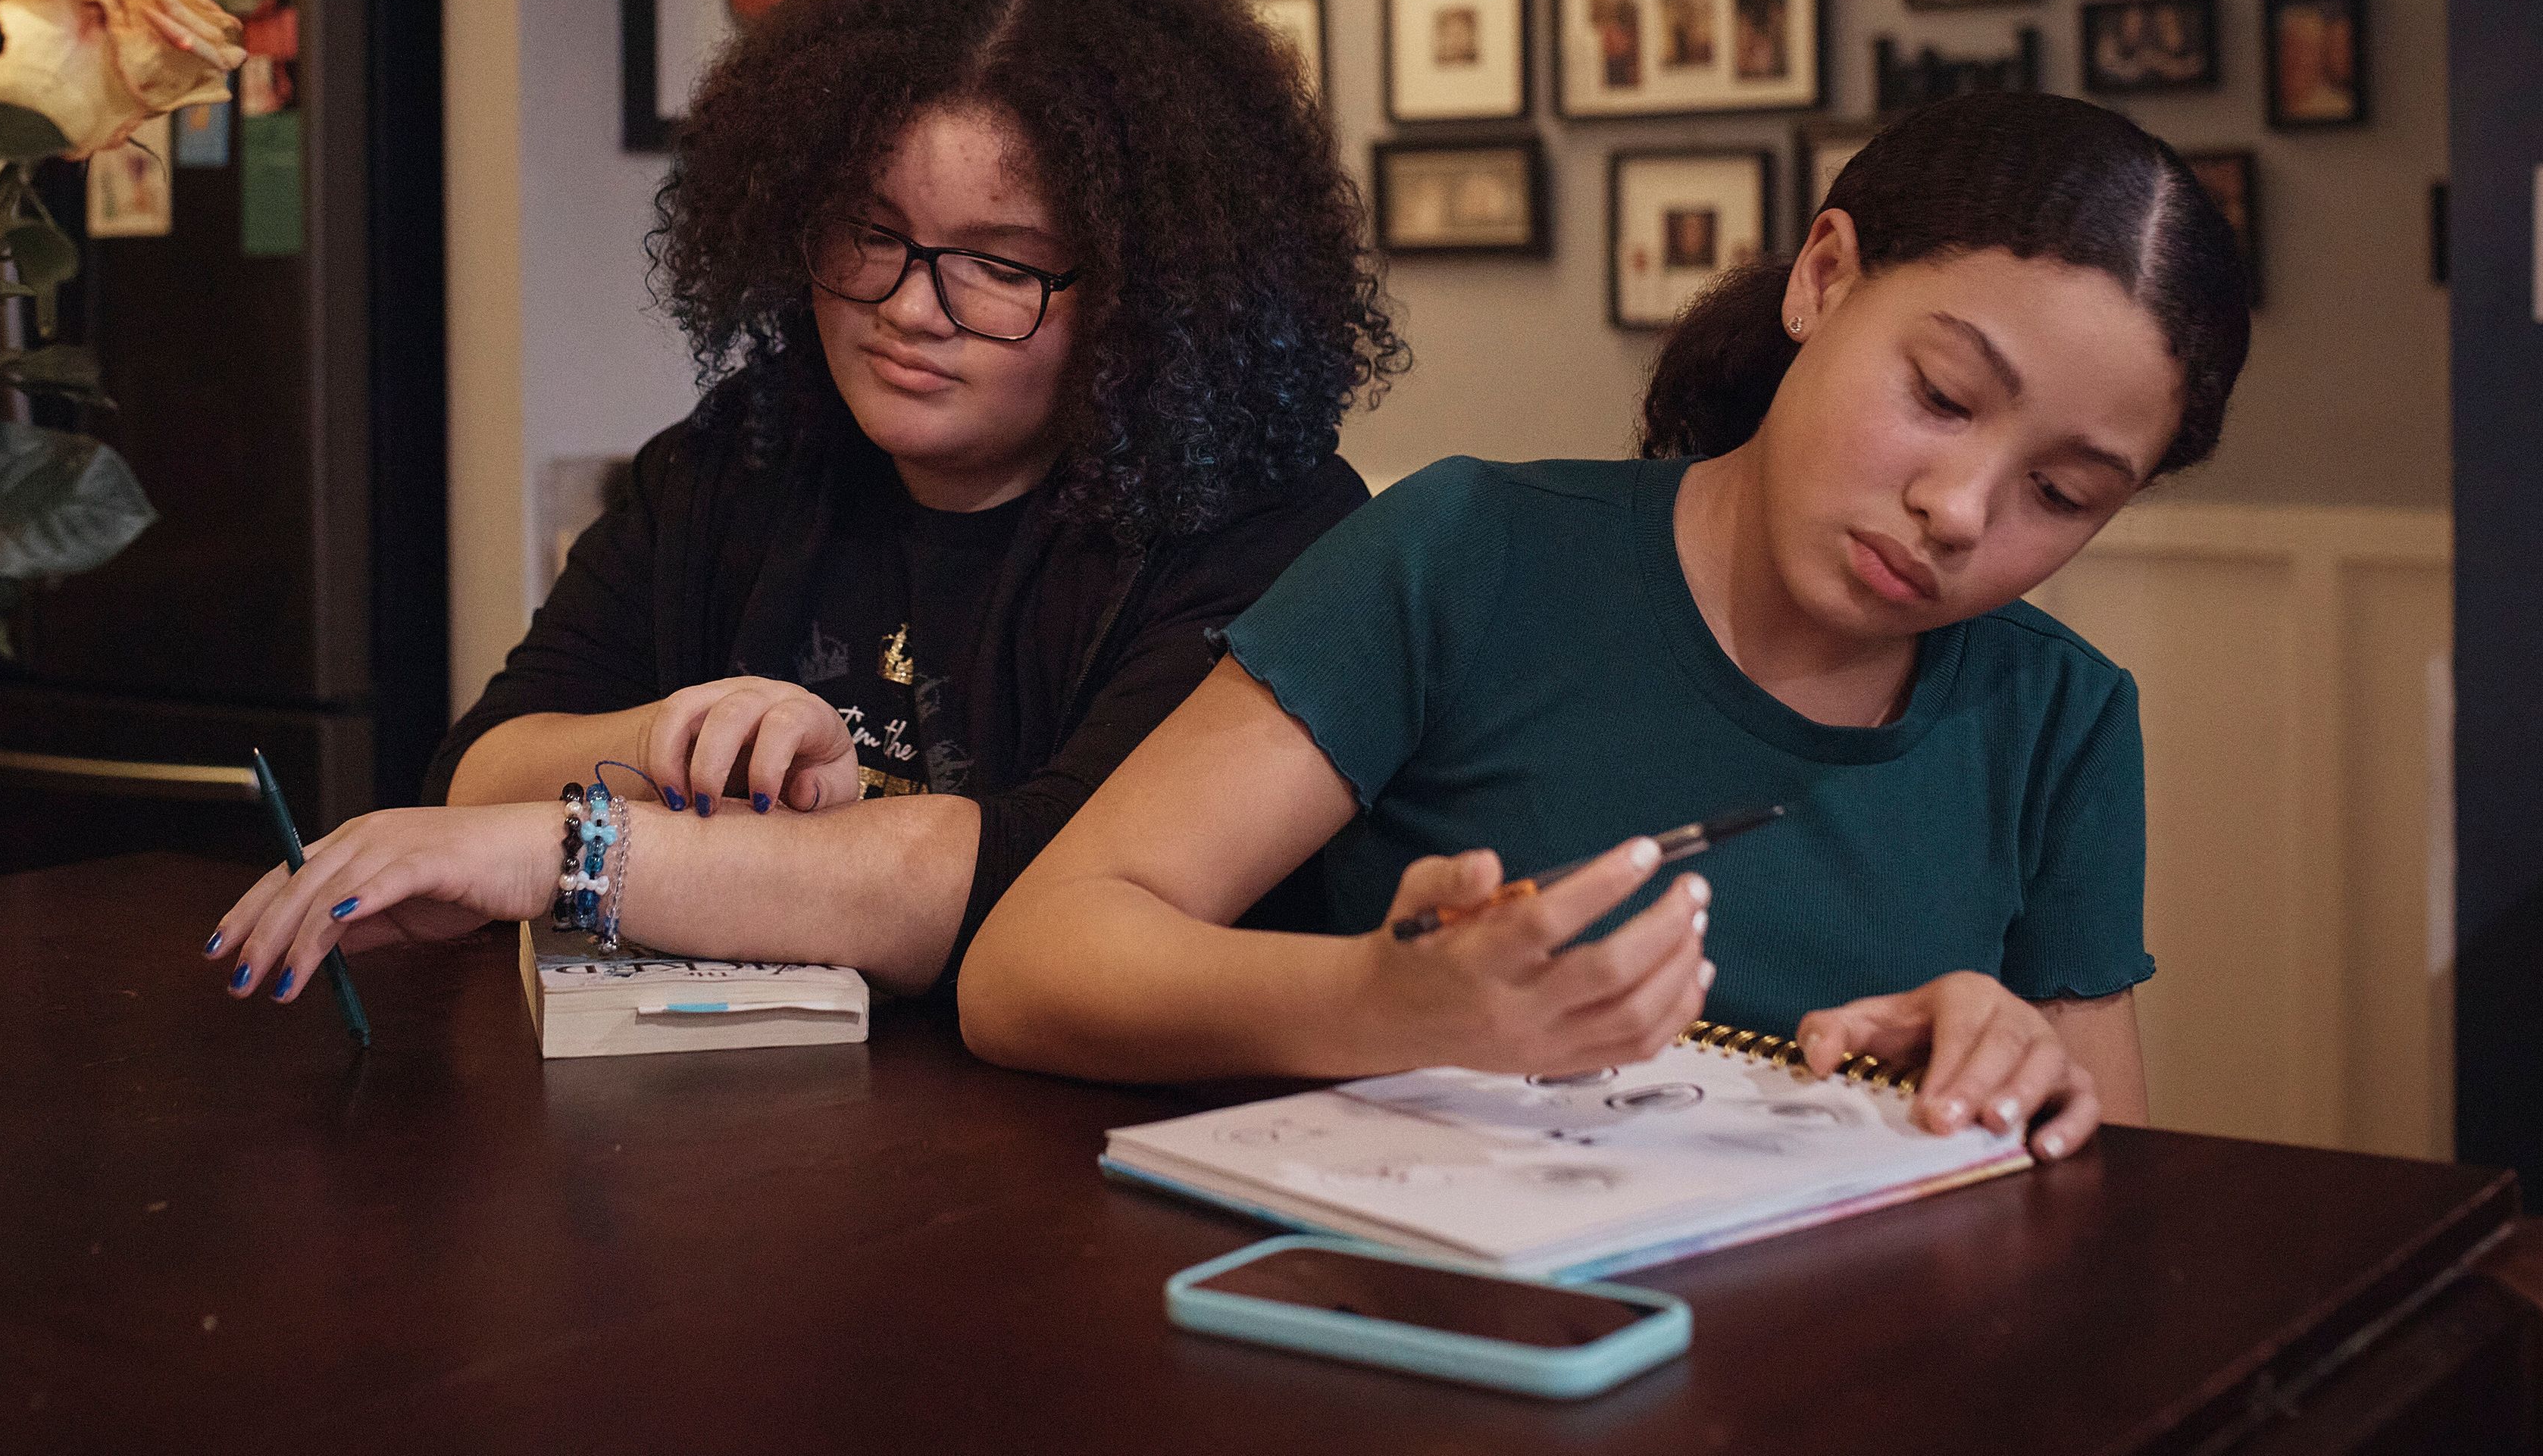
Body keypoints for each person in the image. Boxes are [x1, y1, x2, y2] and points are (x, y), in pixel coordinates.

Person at [959, 93, 2251, 1169]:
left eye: (2064, 494)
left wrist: (2008, 1067)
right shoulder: (1472, 554)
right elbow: (1030, 963)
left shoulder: (2059, 717)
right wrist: (1382, 1002)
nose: (1960, 512)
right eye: (1942, 395)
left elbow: (2106, 1188)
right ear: (1823, 278)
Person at [205, 0, 1404, 1003]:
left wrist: (572, 849)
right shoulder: (756, 451)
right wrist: (682, 733)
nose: (911, 306)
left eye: (1000, 261)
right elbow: (482, 770)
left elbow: (1029, 883)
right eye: (872, 233)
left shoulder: (1264, 536)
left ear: (1146, 299)